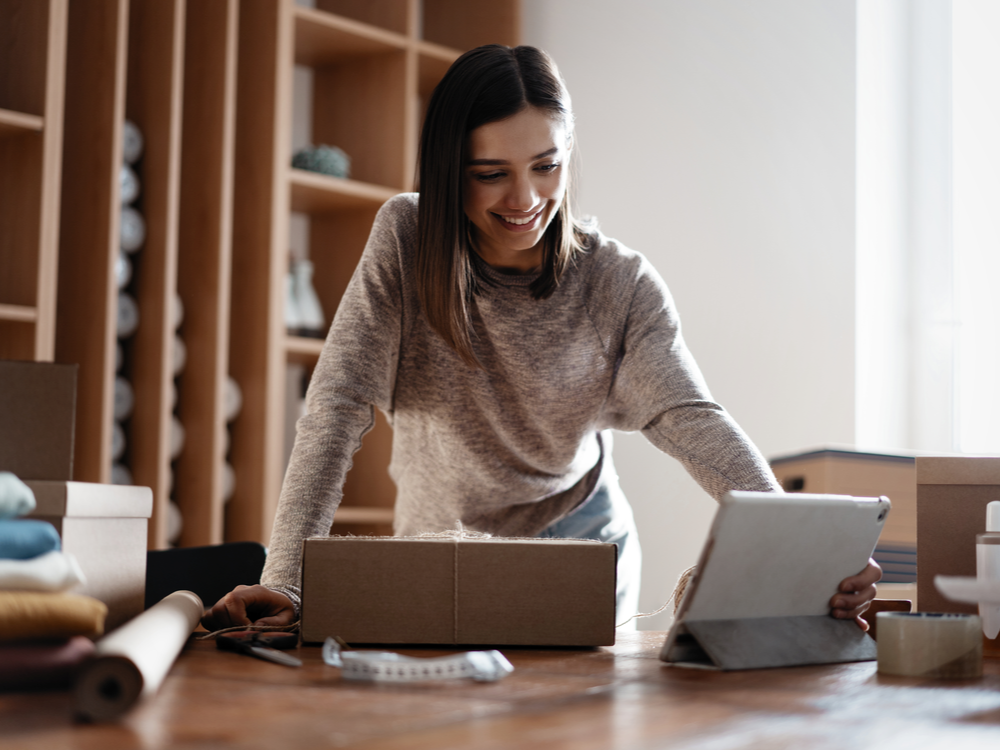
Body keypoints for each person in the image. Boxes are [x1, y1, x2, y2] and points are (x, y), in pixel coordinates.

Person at [202, 45, 880, 632]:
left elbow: (690, 419)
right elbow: (337, 406)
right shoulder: (405, 242)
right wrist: (287, 575)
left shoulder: (618, 281)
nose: (525, 197)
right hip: (438, 544)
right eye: (491, 173)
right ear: (448, 169)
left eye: (546, 165)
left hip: (581, 549)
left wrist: (803, 553)